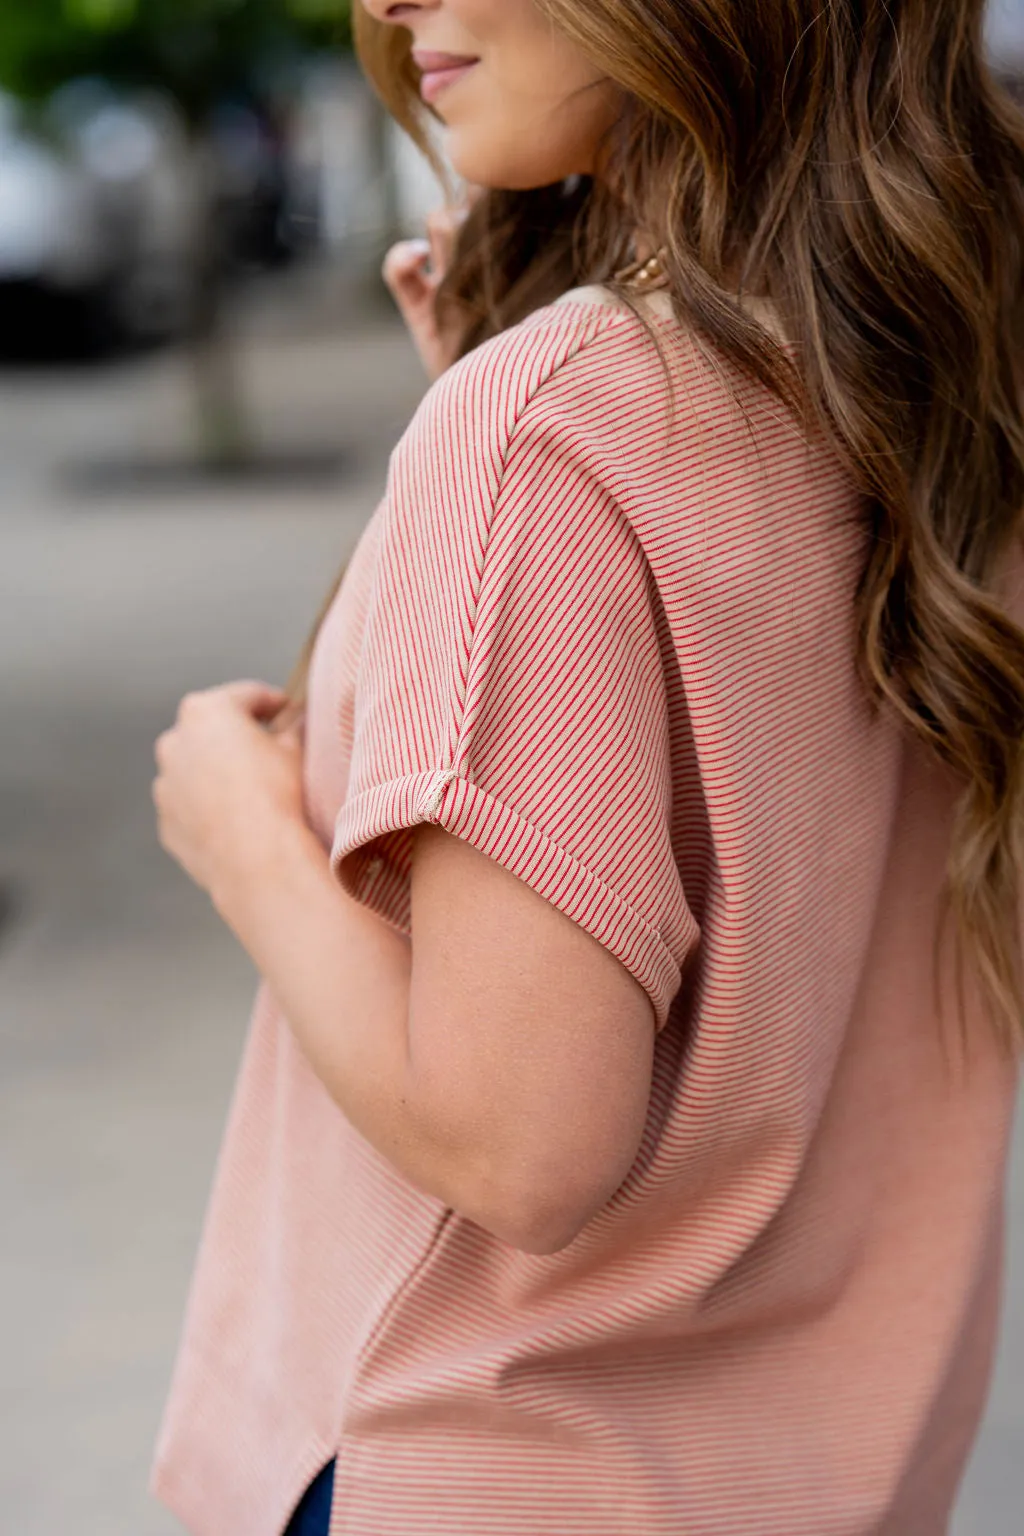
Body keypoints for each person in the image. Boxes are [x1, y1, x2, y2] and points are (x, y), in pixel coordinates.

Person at [148, 2, 1024, 1533]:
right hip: (844, 1476)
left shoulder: (552, 430)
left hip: (498, 1466)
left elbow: (520, 1141)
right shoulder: (956, 368)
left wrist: (241, 839)